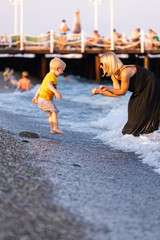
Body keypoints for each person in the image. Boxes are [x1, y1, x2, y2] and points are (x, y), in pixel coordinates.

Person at [91, 52, 160, 136]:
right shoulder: (114, 75)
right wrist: (100, 92)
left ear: (108, 63)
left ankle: (143, 138)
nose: (100, 66)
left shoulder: (124, 72)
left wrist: (107, 88)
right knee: (133, 114)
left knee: (140, 115)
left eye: (101, 64)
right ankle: (138, 137)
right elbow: (117, 94)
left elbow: (123, 92)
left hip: (151, 85)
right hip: (139, 90)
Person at [32, 57, 66, 135]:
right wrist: (56, 92)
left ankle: (52, 129)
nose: (62, 72)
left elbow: (41, 87)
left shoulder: (48, 75)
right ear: (57, 69)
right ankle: (55, 127)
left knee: (50, 114)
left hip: (41, 99)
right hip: (45, 99)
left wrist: (36, 97)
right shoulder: (51, 76)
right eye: (62, 70)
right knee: (55, 111)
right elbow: (49, 85)